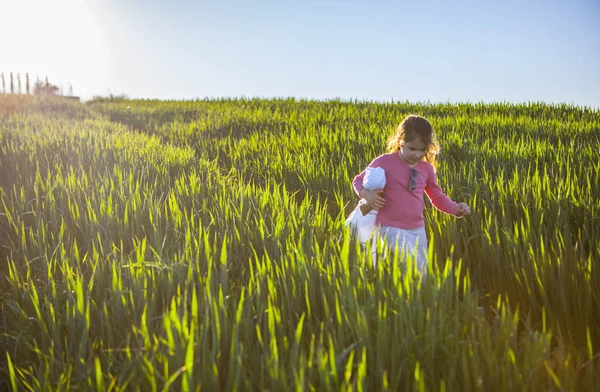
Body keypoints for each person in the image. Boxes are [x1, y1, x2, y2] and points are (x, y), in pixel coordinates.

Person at [352, 114, 471, 274]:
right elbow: (358, 180)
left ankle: (418, 298)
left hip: (417, 228)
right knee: (412, 265)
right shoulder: (385, 161)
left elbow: (437, 196)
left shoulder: (426, 169)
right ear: (401, 141)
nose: (417, 154)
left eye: (422, 150)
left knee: (421, 270)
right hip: (390, 227)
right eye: (412, 149)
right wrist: (366, 193)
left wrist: (455, 208)